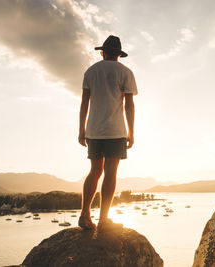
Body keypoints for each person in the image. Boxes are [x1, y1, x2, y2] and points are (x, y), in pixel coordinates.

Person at [78, 35, 138, 232]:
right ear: (119, 55)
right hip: (115, 131)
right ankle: (104, 219)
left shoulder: (91, 71)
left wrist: (81, 130)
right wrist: (131, 131)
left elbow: (84, 103)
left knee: (95, 171)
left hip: (94, 131)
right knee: (111, 172)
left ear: (103, 52)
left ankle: (84, 215)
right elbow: (129, 104)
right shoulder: (126, 72)